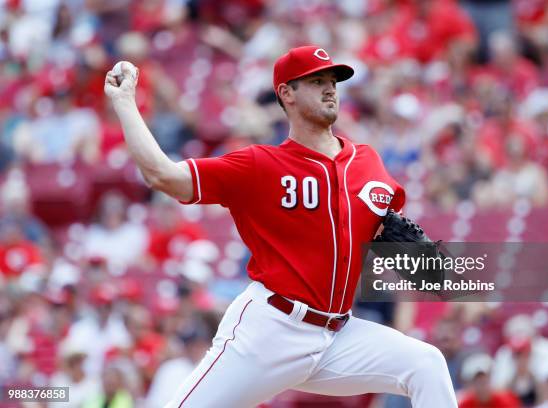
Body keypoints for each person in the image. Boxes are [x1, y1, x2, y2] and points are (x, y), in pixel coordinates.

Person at [104, 45, 456, 407]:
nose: (329, 88)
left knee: (426, 364)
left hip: (337, 336)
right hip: (270, 330)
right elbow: (163, 175)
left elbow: (385, 235)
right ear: (286, 93)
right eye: (316, 80)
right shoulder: (260, 165)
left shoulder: (367, 162)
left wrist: (419, 261)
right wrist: (125, 102)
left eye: (332, 81)